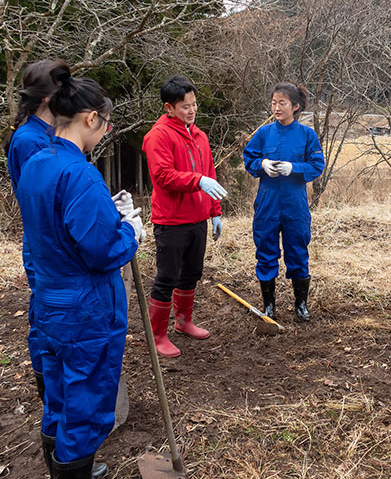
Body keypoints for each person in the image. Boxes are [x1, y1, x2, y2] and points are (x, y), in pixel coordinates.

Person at [16, 64, 142, 478]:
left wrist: (108, 211)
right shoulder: (80, 173)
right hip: (85, 307)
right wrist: (130, 230)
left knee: (58, 394)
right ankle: (73, 469)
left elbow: (54, 226)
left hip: (50, 300)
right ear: (91, 118)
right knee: (86, 405)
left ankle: (57, 465)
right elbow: (103, 250)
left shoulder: (36, 161)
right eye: (105, 125)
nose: (105, 133)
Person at [142, 75, 226, 357]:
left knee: (192, 273)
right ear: (169, 107)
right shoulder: (159, 136)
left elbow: (210, 175)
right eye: (184, 107)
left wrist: (214, 212)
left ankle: (184, 320)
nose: (191, 110)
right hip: (171, 220)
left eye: (194, 104)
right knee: (168, 276)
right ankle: (157, 334)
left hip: (197, 218)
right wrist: (197, 181)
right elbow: (163, 176)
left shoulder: (199, 135)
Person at [3, 59, 66, 404]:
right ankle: (51, 399)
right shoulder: (29, 141)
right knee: (46, 319)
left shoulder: (47, 133)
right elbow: (46, 198)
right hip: (46, 244)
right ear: (46, 98)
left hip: (53, 240)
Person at [243, 83, 325, 322]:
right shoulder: (264, 133)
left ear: (295, 106)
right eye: (274, 103)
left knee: (298, 251)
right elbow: (249, 157)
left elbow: (317, 166)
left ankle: (301, 304)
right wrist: (262, 165)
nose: (277, 107)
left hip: (295, 205)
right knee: (266, 252)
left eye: (282, 103)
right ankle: (269, 305)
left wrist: (294, 168)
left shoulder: (307, 135)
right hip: (267, 203)